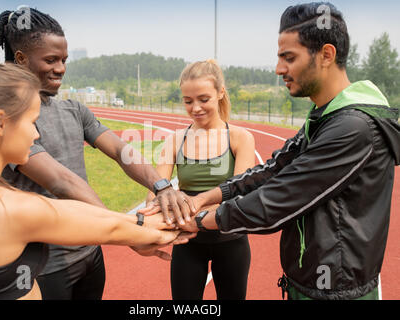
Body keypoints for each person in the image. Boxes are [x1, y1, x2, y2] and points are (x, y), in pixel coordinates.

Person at [171, 2, 400, 300]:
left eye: (288, 58)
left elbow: (278, 199)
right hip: (308, 284)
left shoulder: (353, 127)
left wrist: (196, 221)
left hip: (339, 293)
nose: (280, 69)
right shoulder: (325, 117)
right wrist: (206, 197)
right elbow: (273, 169)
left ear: (326, 55)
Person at [0, 8, 194, 300]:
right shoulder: (9, 118)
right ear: (21, 58)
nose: (61, 68)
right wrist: (132, 231)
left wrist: (161, 186)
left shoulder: (74, 109)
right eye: (51, 60)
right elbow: (62, 181)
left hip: (90, 254)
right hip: (46, 267)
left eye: (63, 60)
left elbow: (120, 150)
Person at [0, 64, 193, 300]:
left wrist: (139, 224)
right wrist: (161, 230)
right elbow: (100, 225)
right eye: (31, 122)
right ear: (0, 123)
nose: (36, 134)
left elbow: (73, 211)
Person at [146, 60, 255, 300]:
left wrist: (192, 216)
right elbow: (156, 191)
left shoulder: (240, 138)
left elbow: (239, 195)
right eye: (188, 101)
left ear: (220, 93)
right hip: (188, 243)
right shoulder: (175, 140)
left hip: (231, 240)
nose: (195, 108)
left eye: (203, 99)